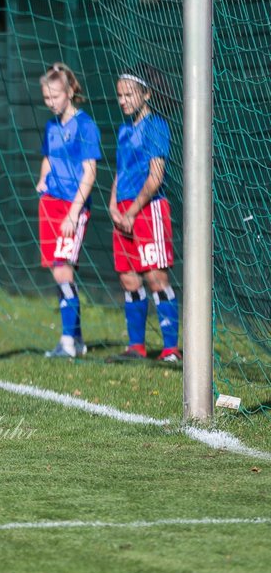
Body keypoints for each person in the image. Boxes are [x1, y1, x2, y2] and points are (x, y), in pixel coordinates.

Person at [108, 65, 179, 363]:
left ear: (146, 94)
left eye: (129, 94)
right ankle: (136, 347)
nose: (123, 100)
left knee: (155, 277)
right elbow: (120, 173)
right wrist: (113, 206)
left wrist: (133, 211)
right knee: (129, 279)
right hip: (122, 211)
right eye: (120, 95)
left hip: (148, 210)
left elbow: (155, 176)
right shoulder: (125, 130)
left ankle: (171, 349)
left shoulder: (156, 126)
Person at [35, 62, 101, 358]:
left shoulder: (85, 126)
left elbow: (90, 172)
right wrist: (41, 180)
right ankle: (76, 340)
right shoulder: (51, 126)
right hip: (50, 203)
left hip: (71, 208)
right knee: (58, 272)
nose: (51, 103)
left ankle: (66, 343)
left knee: (64, 271)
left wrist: (74, 212)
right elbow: (48, 158)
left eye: (55, 97)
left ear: (70, 92)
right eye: (46, 98)